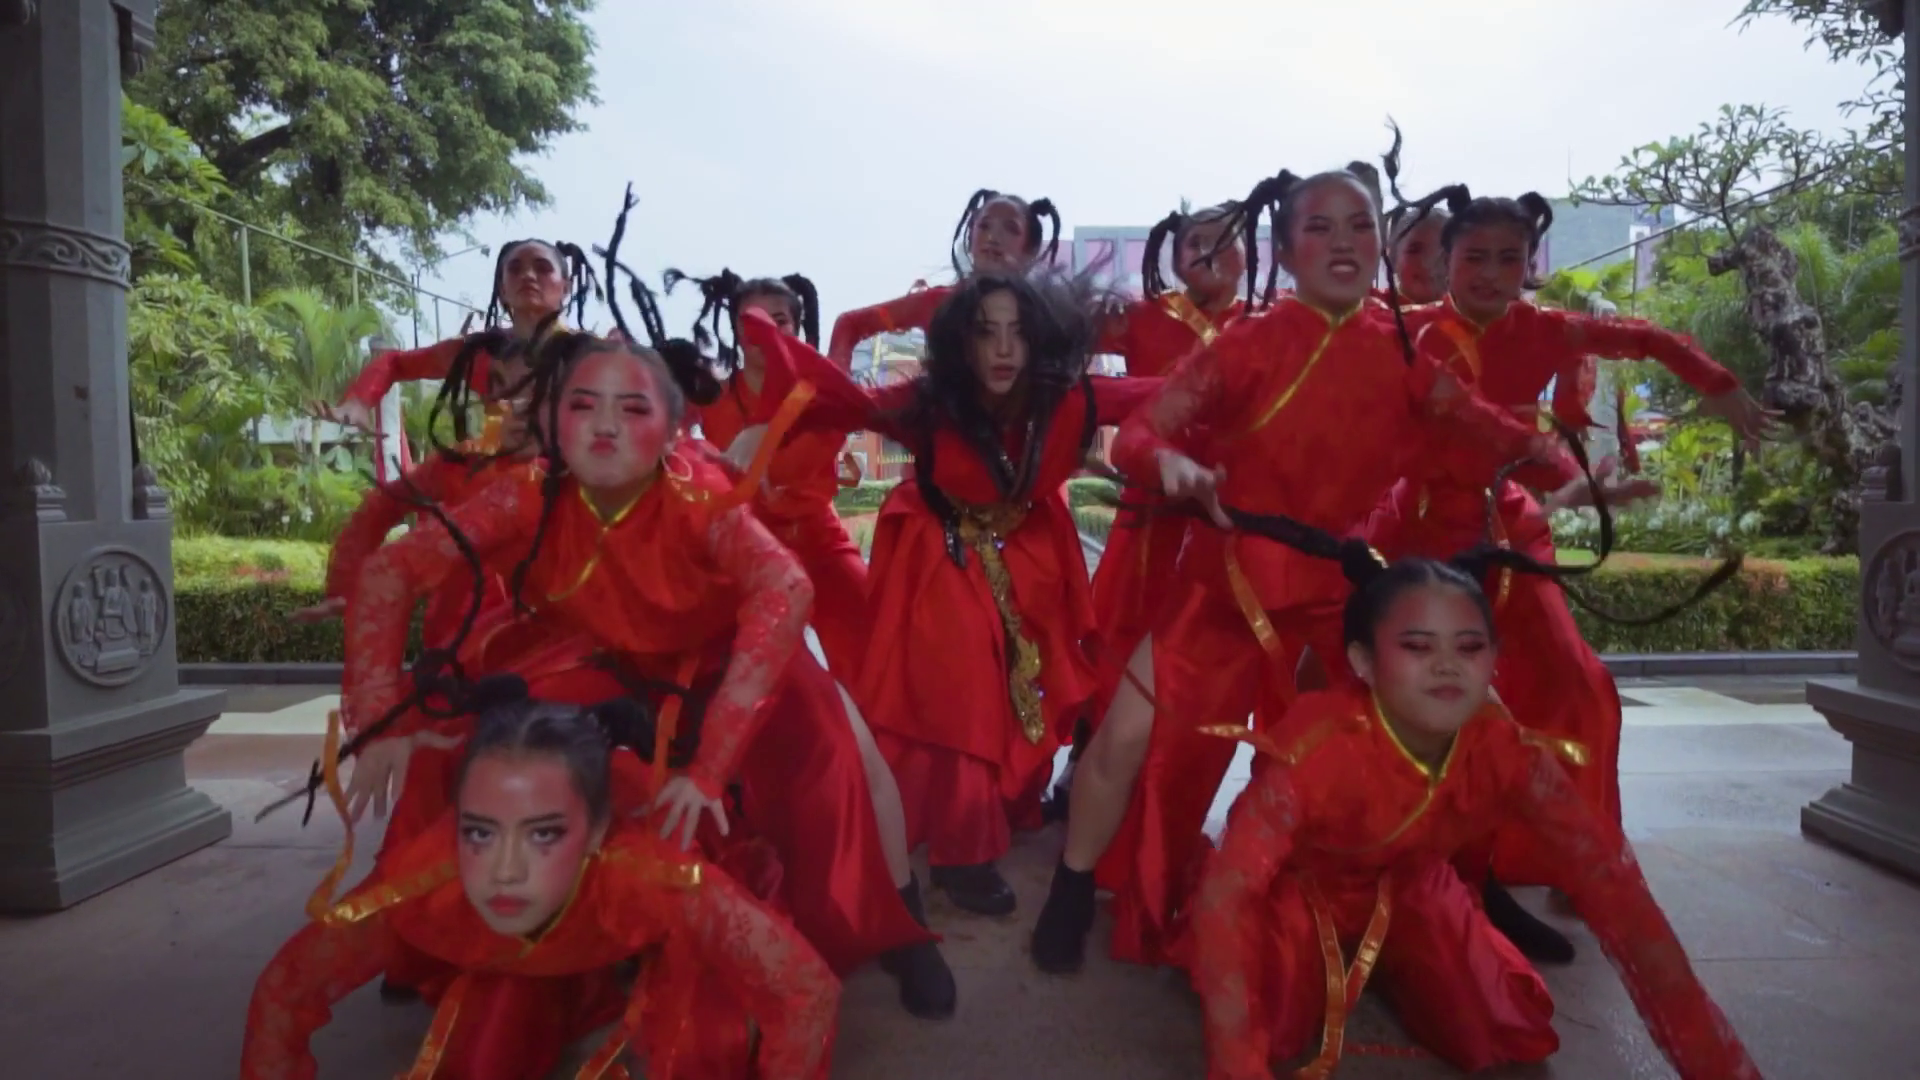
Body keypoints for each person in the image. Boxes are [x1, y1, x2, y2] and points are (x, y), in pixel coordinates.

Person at [1029, 158, 1581, 973]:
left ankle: (1435, 898)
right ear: (1285, 252)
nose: (1344, 242)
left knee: (1427, 738)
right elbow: (1140, 435)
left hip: (1335, 595)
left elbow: (1490, 428)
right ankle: (1073, 885)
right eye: (1320, 227)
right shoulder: (1248, 345)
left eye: (1359, 226)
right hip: (1227, 587)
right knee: (1129, 736)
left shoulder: (1399, 354)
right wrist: (1169, 464)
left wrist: (1573, 470)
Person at [337, 330, 956, 1018]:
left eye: (632, 408)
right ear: (554, 418)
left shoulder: (699, 496)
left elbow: (785, 589)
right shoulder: (524, 494)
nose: (605, 425)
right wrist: (376, 717)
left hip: (738, 657)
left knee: (833, 763)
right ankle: (478, 940)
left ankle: (898, 928)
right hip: (617, 660)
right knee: (471, 739)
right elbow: (392, 570)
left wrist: (711, 763)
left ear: (672, 427)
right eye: (584, 405)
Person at [1365, 188, 1777, 961]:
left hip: (1512, 527)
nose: (1491, 273)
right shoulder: (1407, 333)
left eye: (1509, 258)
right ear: (1448, 261)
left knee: (1578, 684)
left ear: (1530, 264)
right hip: (1420, 532)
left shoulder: (1544, 329)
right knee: (1429, 701)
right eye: (1475, 257)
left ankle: (1569, 857)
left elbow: (1644, 337)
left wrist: (1717, 382)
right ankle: (1433, 871)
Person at [1188, 554, 1760, 1080]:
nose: (1447, 666)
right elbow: (1229, 890)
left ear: (1493, 659)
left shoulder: (1503, 751)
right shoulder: (1316, 747)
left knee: (1503, 1027)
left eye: (1469, 647)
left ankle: (1396, 960)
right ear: (1363, 661)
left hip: (1410, 886)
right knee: (1273, 1016)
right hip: (1303, 892)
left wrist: (1716, 1065)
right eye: (1417, 646)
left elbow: (1615, 888)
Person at [739, 273, 1158, 918]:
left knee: (1025, 690)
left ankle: (998, 806)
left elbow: (1170, 393)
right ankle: (963, 854)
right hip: (941, 550)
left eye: (1018, 333)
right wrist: (767, 430)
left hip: (1030, 552)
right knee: (962, 696)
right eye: (986, 333)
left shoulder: (1073, 399)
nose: (1004, 349)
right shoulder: (926, 403)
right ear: (962, 342)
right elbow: (844, 403)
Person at [240, 694, 840, 1080]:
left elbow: (807, 990)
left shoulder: (648, 879)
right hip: (525, 941)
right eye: (479, 832)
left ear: (599, 832)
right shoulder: (427, 884)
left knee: (704, 1046)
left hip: (625, 914)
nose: (505, 869)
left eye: (543, 834)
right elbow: (283, 991)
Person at [324, 239, 597, 431]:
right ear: (502, 289)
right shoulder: (479, 353)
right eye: (515, 269)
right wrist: (358, 403)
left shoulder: (594, 357)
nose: (528, 275)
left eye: (542, 267)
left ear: (566, 288)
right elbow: (394, 363)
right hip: (501, 482)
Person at [826, 189, 1062, 365]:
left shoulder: (1046, 316)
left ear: (1030, 250)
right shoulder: (939, 303)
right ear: (970, 238)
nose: (993, 237)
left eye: (1010, 228)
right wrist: (837, 398)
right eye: (984, 226)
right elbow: (850, 324)